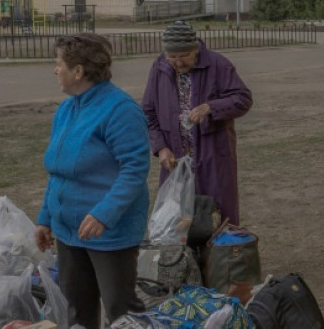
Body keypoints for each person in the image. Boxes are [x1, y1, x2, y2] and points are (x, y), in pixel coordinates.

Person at [34, 33, 149, 328]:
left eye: (58, 63)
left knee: (121, 310)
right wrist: (46, 217)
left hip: (109, 234)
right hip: (68, 231)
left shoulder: (120, 110)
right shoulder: (66, 109)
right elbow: (58, 171)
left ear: (78, 71)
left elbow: (134, 170)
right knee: (77, 308)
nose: (54, 70)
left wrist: (104, 214)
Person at [143, 20, 253, 225]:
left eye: (184, 55)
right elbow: (149, 113)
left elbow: (243, 99)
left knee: (216, 212)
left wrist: (211, 107)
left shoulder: (218, 64)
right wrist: (161, 148)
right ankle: (182, 248)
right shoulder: (159, 67)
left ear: (196, 50)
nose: (178, 63)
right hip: (174, 156)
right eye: (172, 57)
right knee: (176, 216)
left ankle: (219, 246)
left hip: (213, 153)